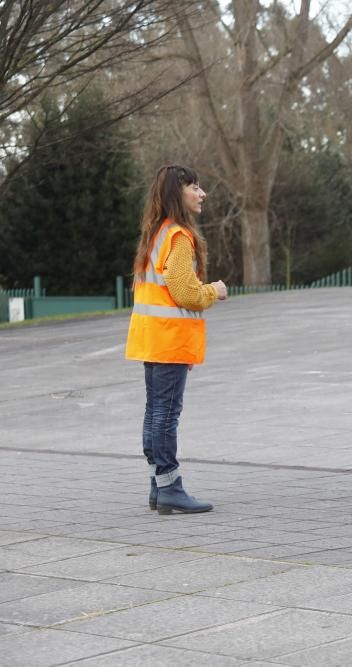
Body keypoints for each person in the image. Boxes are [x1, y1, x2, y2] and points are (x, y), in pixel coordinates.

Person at [125, 165, 227, 514]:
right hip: (169, 341)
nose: (202, 194)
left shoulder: (155, 233)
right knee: (166, 415)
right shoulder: (178, 237)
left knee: (155, 412)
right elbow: (185, 292)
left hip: (152, 338)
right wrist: (214, 290)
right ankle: (169, 486)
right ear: (177, 193)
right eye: (195, 187)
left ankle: (158, 486)